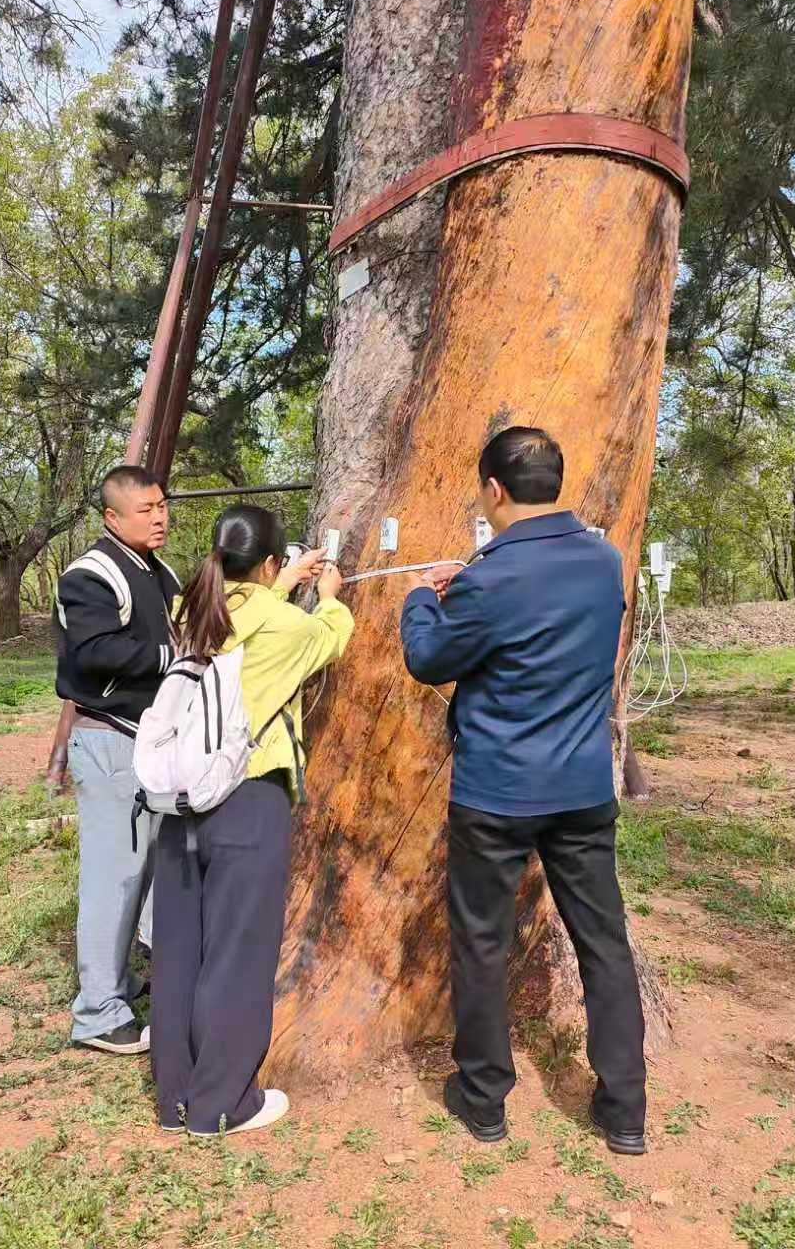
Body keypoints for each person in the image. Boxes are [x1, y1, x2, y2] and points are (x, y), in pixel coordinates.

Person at [400, 427, 648, 1155]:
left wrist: (422, 600)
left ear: (494, 490)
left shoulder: (490, 577)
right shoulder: (604, 561)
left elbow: (429, 659)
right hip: (581, 787)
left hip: (496, 792)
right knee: (603, 943)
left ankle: (484, 1100)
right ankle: (625, 1110)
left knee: (481, 942)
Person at [152, 505, 352, 1137]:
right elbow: (330, 637)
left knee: (180, 949)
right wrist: (329, 596)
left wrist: (280, 581)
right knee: (238, 952)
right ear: (268, 562)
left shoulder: (190, 610)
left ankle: (175, 1097)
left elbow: (244, 615)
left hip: (181, 800)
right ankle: (222, 1103)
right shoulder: (288, 625)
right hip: (247, 799)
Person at [57, 465, 180, 1055]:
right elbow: (97, 652)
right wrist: (174, 655)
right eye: (145, 510)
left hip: (146, 742)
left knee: (145, 873)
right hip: (110, 741)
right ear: (112, 517)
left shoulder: (159, 571)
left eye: (162, 506)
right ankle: (97, 1014)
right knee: (114, 880)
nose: (158, 518)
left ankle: (120, 983)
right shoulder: (90, 575)